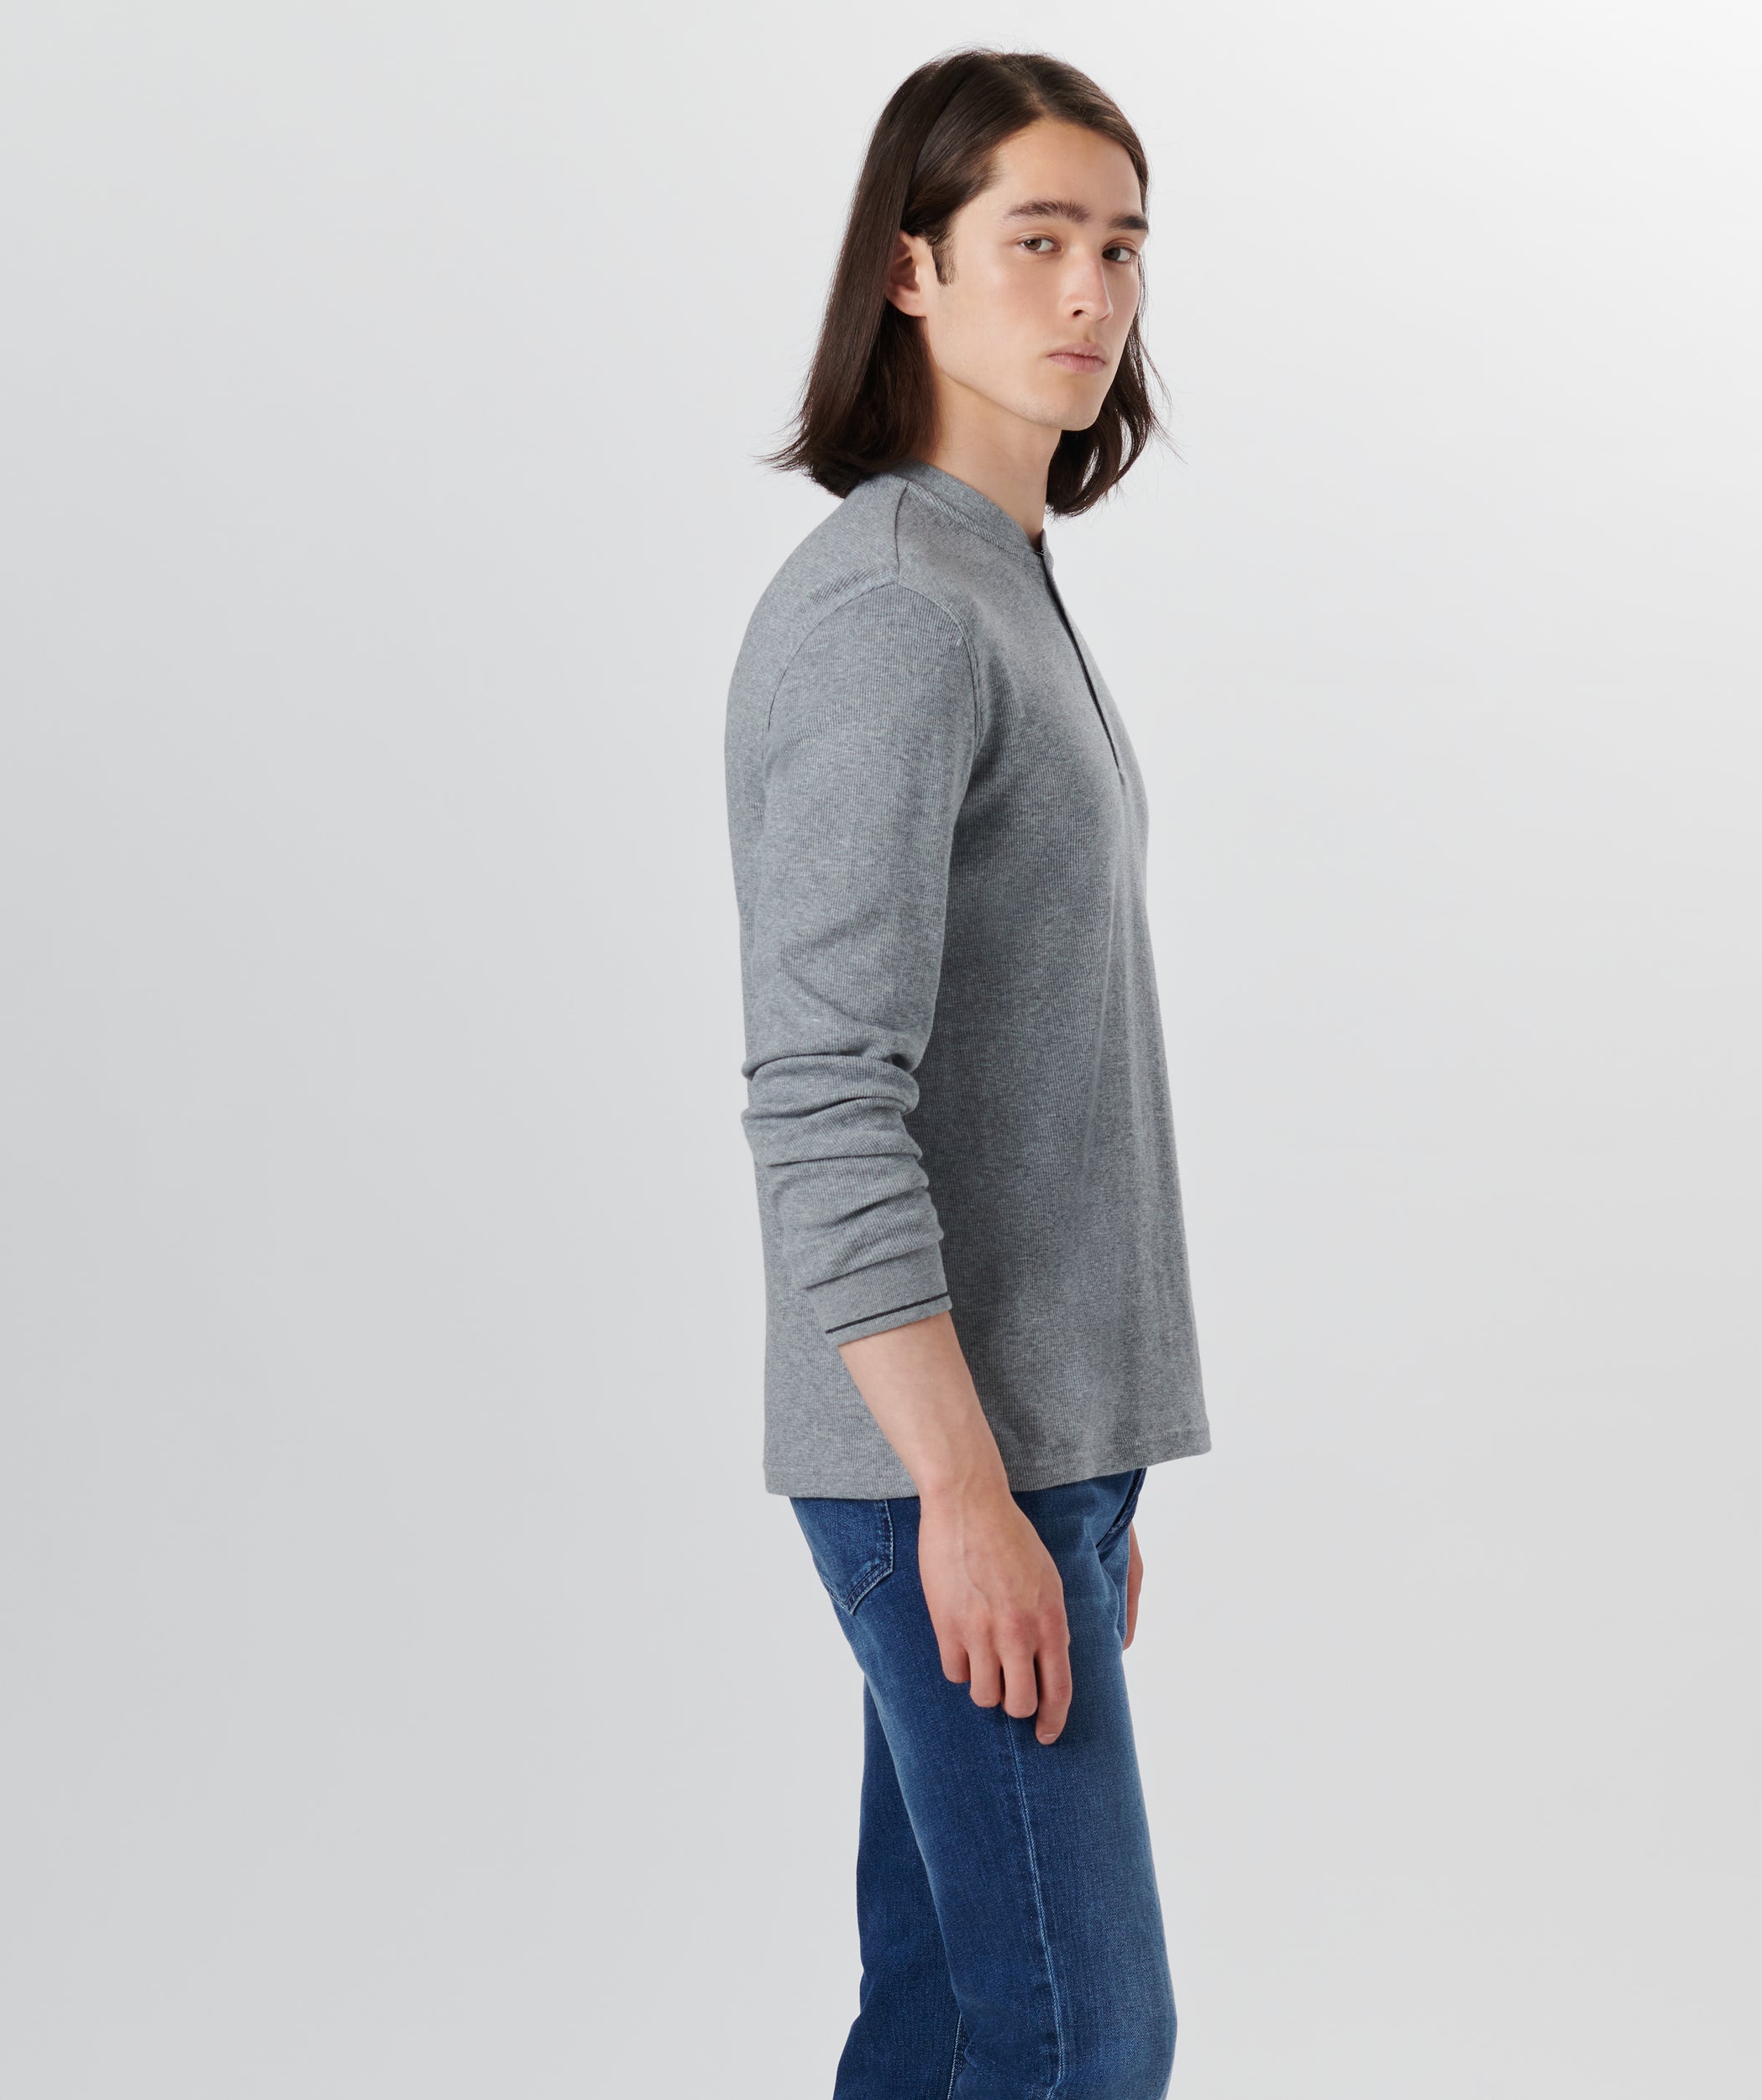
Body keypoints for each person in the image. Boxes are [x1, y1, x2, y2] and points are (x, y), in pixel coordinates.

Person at [722, 48, 1211, 2100]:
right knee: (1081, 2035)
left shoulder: (995, 582)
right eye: (1034, 240)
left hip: (1022, 1443)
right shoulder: (897, 609)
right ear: (908, 269)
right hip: (941, 1455)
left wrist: (1071, 1463)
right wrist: (964, 1487)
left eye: (1121, 246)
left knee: (943, 2022)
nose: (1089, 292)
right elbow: (821, 1090)